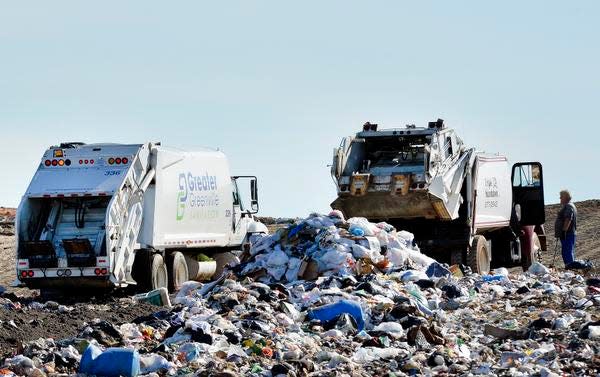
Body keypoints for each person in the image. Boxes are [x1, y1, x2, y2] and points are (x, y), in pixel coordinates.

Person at [555, 190, 577, 266]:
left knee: (567, 252)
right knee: (567, 251)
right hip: (568, 234)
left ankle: (571, 268)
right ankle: (570, 267)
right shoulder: (569, 206)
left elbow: (568, 219)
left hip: (568, 234)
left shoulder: (569, 206)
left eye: (561, 196)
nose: (560, 198)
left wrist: (564, 231)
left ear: (565, 197)